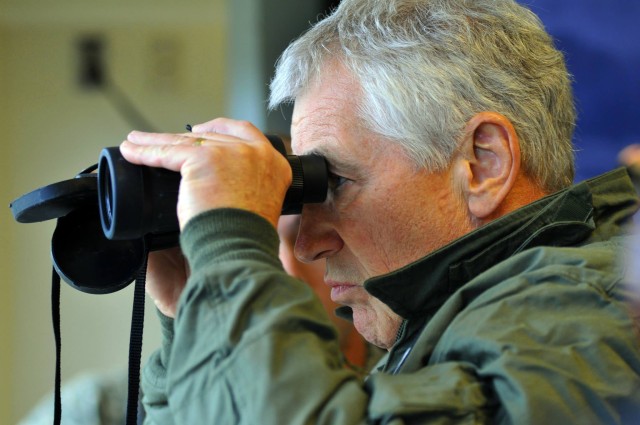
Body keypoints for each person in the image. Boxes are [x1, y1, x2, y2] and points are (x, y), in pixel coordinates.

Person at [119, 0, 640, 423]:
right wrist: (201, 308)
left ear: (483, 164)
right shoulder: (455, 323)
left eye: (335, 181)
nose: (306, 243)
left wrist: (228, 246)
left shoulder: (584, 319)